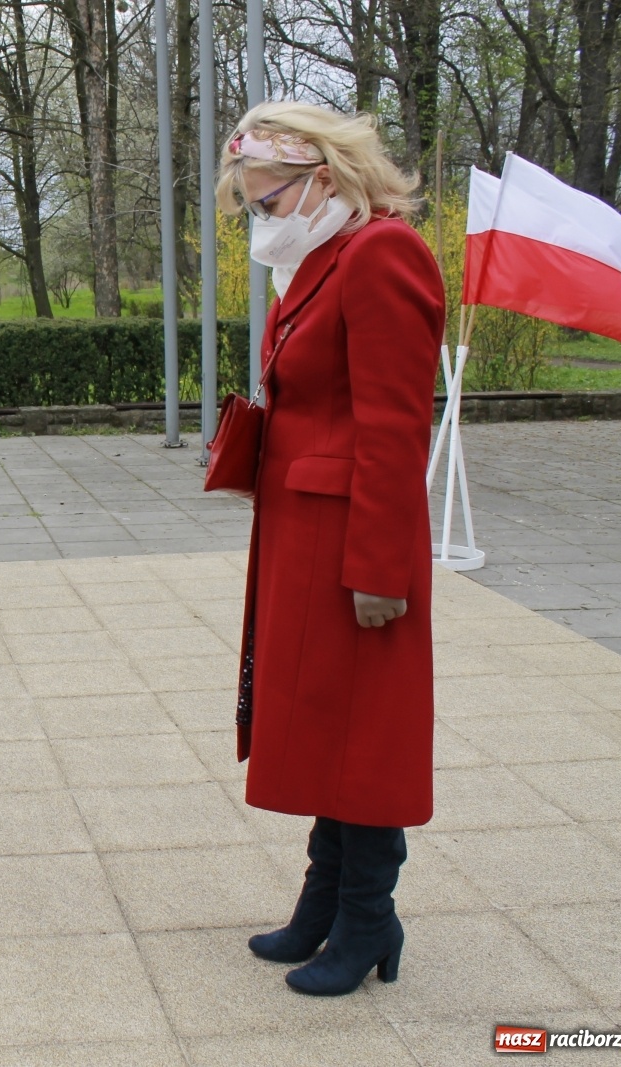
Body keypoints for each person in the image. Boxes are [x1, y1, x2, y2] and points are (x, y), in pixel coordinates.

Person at [213, 102, 445, 996]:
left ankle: (368, 916)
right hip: (305, 533)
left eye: (267, 201)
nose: (262, 219)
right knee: (321, 719)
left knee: (364, 734)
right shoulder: (324, 256)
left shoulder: (382, 253)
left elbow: (394, 425)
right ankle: (325, 898)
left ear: (324, 178)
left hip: (354, 542)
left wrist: (382, 569)